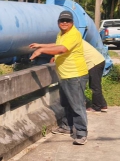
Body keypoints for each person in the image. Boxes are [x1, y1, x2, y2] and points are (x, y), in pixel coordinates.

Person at [29, 10, 89, 145]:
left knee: (77, 105)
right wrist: (41, 45)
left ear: (72, 23)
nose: (65, 23)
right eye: (62, 21)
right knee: (66, 102)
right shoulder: (62, 34)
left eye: (67, 21)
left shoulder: (74, 34)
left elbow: (62, 49)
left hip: (75, 75)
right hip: (65, 74)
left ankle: (81, 133)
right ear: (58, 23)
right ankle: (67, 126)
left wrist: (41, 51)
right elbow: (56, 45)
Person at [82, 41, 108, 112]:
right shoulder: (75, 38)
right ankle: (103, 105)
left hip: (94, 63)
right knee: (94, 85)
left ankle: (96, 107)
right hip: (97, 61)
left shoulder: (71, 40)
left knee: (95, 86)